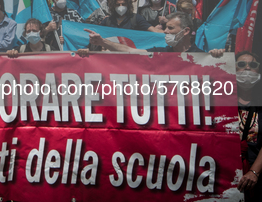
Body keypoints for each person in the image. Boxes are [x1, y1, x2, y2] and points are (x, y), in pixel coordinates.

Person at [82, 12, 224, 56]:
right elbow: (130, 50)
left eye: (170, 28)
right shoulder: (160, 53)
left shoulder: (201, 56)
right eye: (165, 27)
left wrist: (217, 57)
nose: (166, 31)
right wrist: (102, 42)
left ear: (186, 31)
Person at [236, 51, 262, 200]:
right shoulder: (221, 98)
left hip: (255, 178)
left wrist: (254, 172)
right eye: (241, 64)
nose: (247, 68)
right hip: (224, 172)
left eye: (252, 65)